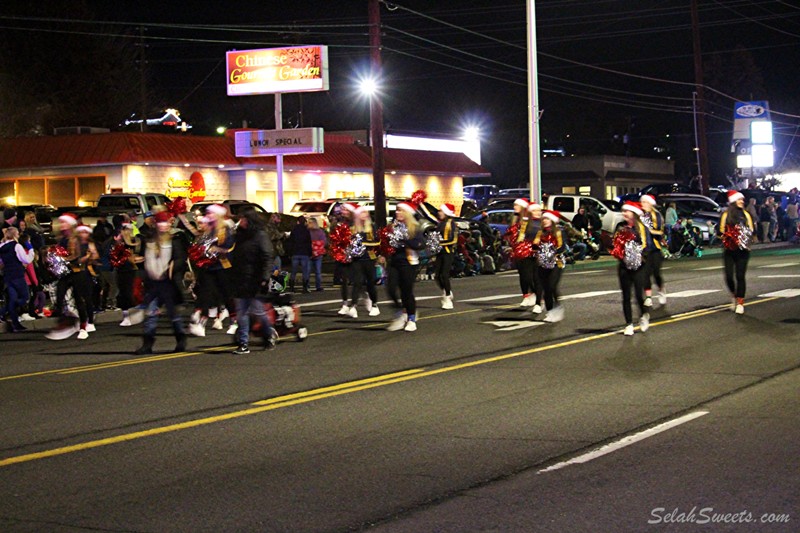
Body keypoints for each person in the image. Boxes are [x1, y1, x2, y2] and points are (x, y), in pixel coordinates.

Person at [135, 211, 189, 355]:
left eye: (165, 222)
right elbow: (144, 258)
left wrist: (173, 266)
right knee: (151, 314)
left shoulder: (174, 240)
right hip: (153, 284)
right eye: (160, 222)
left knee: (173, 315)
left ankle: (180, 339)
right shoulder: (150, 240)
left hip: (168, 283)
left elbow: (181, 258)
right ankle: (147, 344)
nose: (163, 225)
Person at [231, 207, 276, 354]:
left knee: (258, 312)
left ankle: (268, 335)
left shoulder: (260, 236)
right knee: (241, 313)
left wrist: (265, 278)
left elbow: (267, 257)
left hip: (255, 279)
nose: (240, 222)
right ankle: (243, 344)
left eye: (243, 219)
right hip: (240, 278)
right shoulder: (239, 236)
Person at [386, 201, 424, 332]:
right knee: (390, 289)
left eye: (401, 210)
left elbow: (420, 244)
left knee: (406, 292)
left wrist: (403, 241)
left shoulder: (414, 227)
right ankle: (401, 312)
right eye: (397, 210)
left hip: (408, 262)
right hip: (394, 262)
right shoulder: (393, 227)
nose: (397, 212)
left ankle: (411, 319)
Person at [615, 201, 651, 336]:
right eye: (623, 211)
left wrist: (639, 257)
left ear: (633, 213)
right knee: (626, 296)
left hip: (639, 267)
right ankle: (629, 324)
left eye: (627, 211)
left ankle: (643, 314)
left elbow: (646, 246)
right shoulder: (620, 227)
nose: (624, 213)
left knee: (638, 294)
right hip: (624, 266)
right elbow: (616, 244)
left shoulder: (641, 227)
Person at [718, 190, 755, 315]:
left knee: (740, 276)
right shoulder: (726, 215)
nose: (742, 202)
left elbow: (751, 230)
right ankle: (734, 296)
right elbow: (720, 231)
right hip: (729, 250)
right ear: (733, 201)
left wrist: (746, 239)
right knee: (728, 276)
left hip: (743, 251)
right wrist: (726, 236)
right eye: (739, 200)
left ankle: (740, 303)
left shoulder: (746, 214)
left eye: (742, 200)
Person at [346, 206, 381, 318]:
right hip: (357, 260)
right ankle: (353, 306)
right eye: (362, 213)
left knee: (371, 283)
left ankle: (375, 304)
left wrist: (363, 243)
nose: (365, 215)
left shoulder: (371, 227)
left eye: (366, 213)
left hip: (369, 259)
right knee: (357, 282)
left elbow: (377, 242)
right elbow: (348, 243)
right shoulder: (353, 228)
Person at [503, 198, 538, 309]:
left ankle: (536, 293)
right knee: (522, 275)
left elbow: (533, 234)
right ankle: (526, 296)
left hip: (528, 251)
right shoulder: (515, 220)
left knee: (528, 275)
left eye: (516, 205)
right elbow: (511, 235)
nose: (514, 207)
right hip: (517, 251)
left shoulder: (528, 220)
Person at [533, 210, 566, 322]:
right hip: (543, 264)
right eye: (544, 219)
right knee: (546, 288)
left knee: (552, 286)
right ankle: (550, 311)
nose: (545, 221)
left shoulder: (558, 232)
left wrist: (551, 253)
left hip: (556, 263)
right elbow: (535, 245)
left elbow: (562, 247)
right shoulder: (540, 233)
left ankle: (558, 307)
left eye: (547, 219)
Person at [0, 227, 35, 332]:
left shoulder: (1, 246)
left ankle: (16, 324)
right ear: (15, 235)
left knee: (12, 298)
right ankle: (3, 311)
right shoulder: (17, 246)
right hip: (18, 275)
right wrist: (30, 249)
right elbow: (26, 259)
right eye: (18, 234)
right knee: (25, 297)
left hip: (8, 276)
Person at [640, 194, 667, 306]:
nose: (643, 205)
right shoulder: (639, 215)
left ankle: (661, 290)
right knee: (645, 274)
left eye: (645, 202)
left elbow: (660, 231)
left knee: (656, 273)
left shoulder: (656, 215)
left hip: (655, 248)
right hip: (643, 250)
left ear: (651, 204)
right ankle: (648, 297)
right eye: (642, 202)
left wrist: (649, 229)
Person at [115, 223, 144, 326]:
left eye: (128, 230)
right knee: (123, 293)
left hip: (133, 270)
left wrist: (139, 259)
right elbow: (115, 257)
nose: (127, 232)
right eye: (124, 230)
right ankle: (126, 316)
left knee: (133, 292)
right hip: (121, 270)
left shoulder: (136, 241)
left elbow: (141, 254)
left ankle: (135, 313)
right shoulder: (119, 243)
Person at [435, 203, 459, 309]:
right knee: (437, 276)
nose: (439, 212)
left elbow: (453, 240)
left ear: (446, 212)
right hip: (440, 252)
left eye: (441, 211)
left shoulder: (451, 223)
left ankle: (448, 298)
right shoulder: (440, 224)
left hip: (448, 252)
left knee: (444, 274)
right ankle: (446, 290)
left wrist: (439, 243)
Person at [287, 216, 312, 293]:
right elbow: (309, 243)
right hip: (304, 252)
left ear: (298, 221)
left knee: (293, 271)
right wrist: (310, 253)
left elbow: (290, 242)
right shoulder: (306, 231)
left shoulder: (294, 230)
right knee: (305, 271)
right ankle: (305, 287)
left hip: (295, 252)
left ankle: (291, 287)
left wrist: (289, 252)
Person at [308, 218, 327, 292]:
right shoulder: (318, 231)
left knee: (316, 271)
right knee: (312, 271)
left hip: (315, 253)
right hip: (313, 253)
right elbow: (324, 242)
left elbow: (324, 241)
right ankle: (313, 285)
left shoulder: (319, 232)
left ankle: (316, 286)